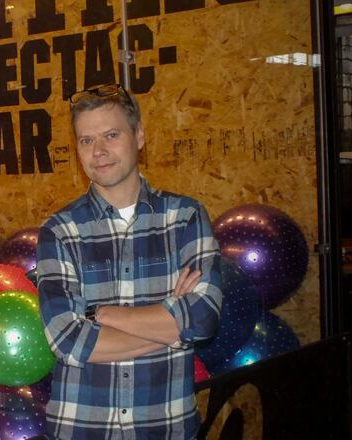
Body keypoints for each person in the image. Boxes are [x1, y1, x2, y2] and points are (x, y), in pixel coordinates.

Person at [36, 83, 223, 439]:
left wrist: (104, 315)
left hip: (164, 427)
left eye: (111, 135)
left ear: (138, 136)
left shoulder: (185, 217)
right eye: (86, 140)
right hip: (82, 428)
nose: (99, 151)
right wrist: (171, 321)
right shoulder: (60, 231)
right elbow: (68, 340)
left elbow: (202, 320)